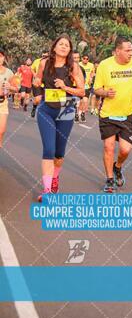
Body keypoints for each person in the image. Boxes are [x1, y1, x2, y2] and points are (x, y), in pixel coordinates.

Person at [33, 35, 85, 201]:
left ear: (70, 50)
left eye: (67, 45)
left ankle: (55, 177)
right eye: (60, 44)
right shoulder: (44, 63)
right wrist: (37, 93)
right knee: (48, 149)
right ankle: (47, 191)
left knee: (59, 153)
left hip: (66, 108)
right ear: (54, 47)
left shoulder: (73, 67)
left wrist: (65, 86)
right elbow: (37, 81)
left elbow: (82, 91)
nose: (63, 47)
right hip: (46, 109)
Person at [93, 37, 132, 193]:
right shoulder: (105, 65)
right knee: (108, 147)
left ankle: (117, 167)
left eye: (131, 50)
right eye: (127, 50)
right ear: (118, 51)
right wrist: (105, 92)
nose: (131, 53)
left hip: (128, 114)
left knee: (125, 149)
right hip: (108, 114)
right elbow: (96, 89)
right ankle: (110, 180)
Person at [0, 49, 18, 148]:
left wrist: (9, 87)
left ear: (4, 58)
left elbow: (16, 88)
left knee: (1, 130)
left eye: (1, 56)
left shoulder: (9, 72)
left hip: (2, 103)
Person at [77, 54, 94, 122]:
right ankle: (78, 114)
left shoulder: (91, 65)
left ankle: (82, 114)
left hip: (87, 85)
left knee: (85, 101)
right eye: (84, 58)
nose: (85, 60)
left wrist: (91, 78)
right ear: (82, 58)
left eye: (87, 59)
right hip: (79, 85)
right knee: (80, 102)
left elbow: (92, 73)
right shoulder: (78, 65)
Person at [30, 53, 47, 118]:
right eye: (43, 56)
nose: (44, 57)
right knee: (37, 99)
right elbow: (31, 68)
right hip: (38, 83)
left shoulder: (50, 63)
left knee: (46, 101)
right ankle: (34, 108)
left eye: (46, 56)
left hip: (46, 84)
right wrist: (34, 74)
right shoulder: (37, 61)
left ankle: (43, 115)